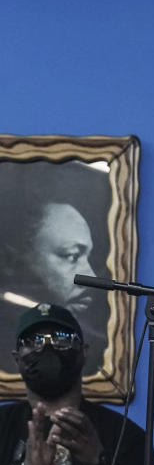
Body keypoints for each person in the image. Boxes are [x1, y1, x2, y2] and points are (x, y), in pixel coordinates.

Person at [0, 303, 154, 465]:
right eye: (33, 341)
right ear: (17, 358)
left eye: (62, 339)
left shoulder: (126, 435)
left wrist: (99, 464)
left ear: (84, 352)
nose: (47, 348)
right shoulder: (3, 425)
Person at [0, 161, 112, 376]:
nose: (90, 275)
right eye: (72, 256)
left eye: (87, 257)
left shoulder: (93, 340)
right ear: (16, 261)